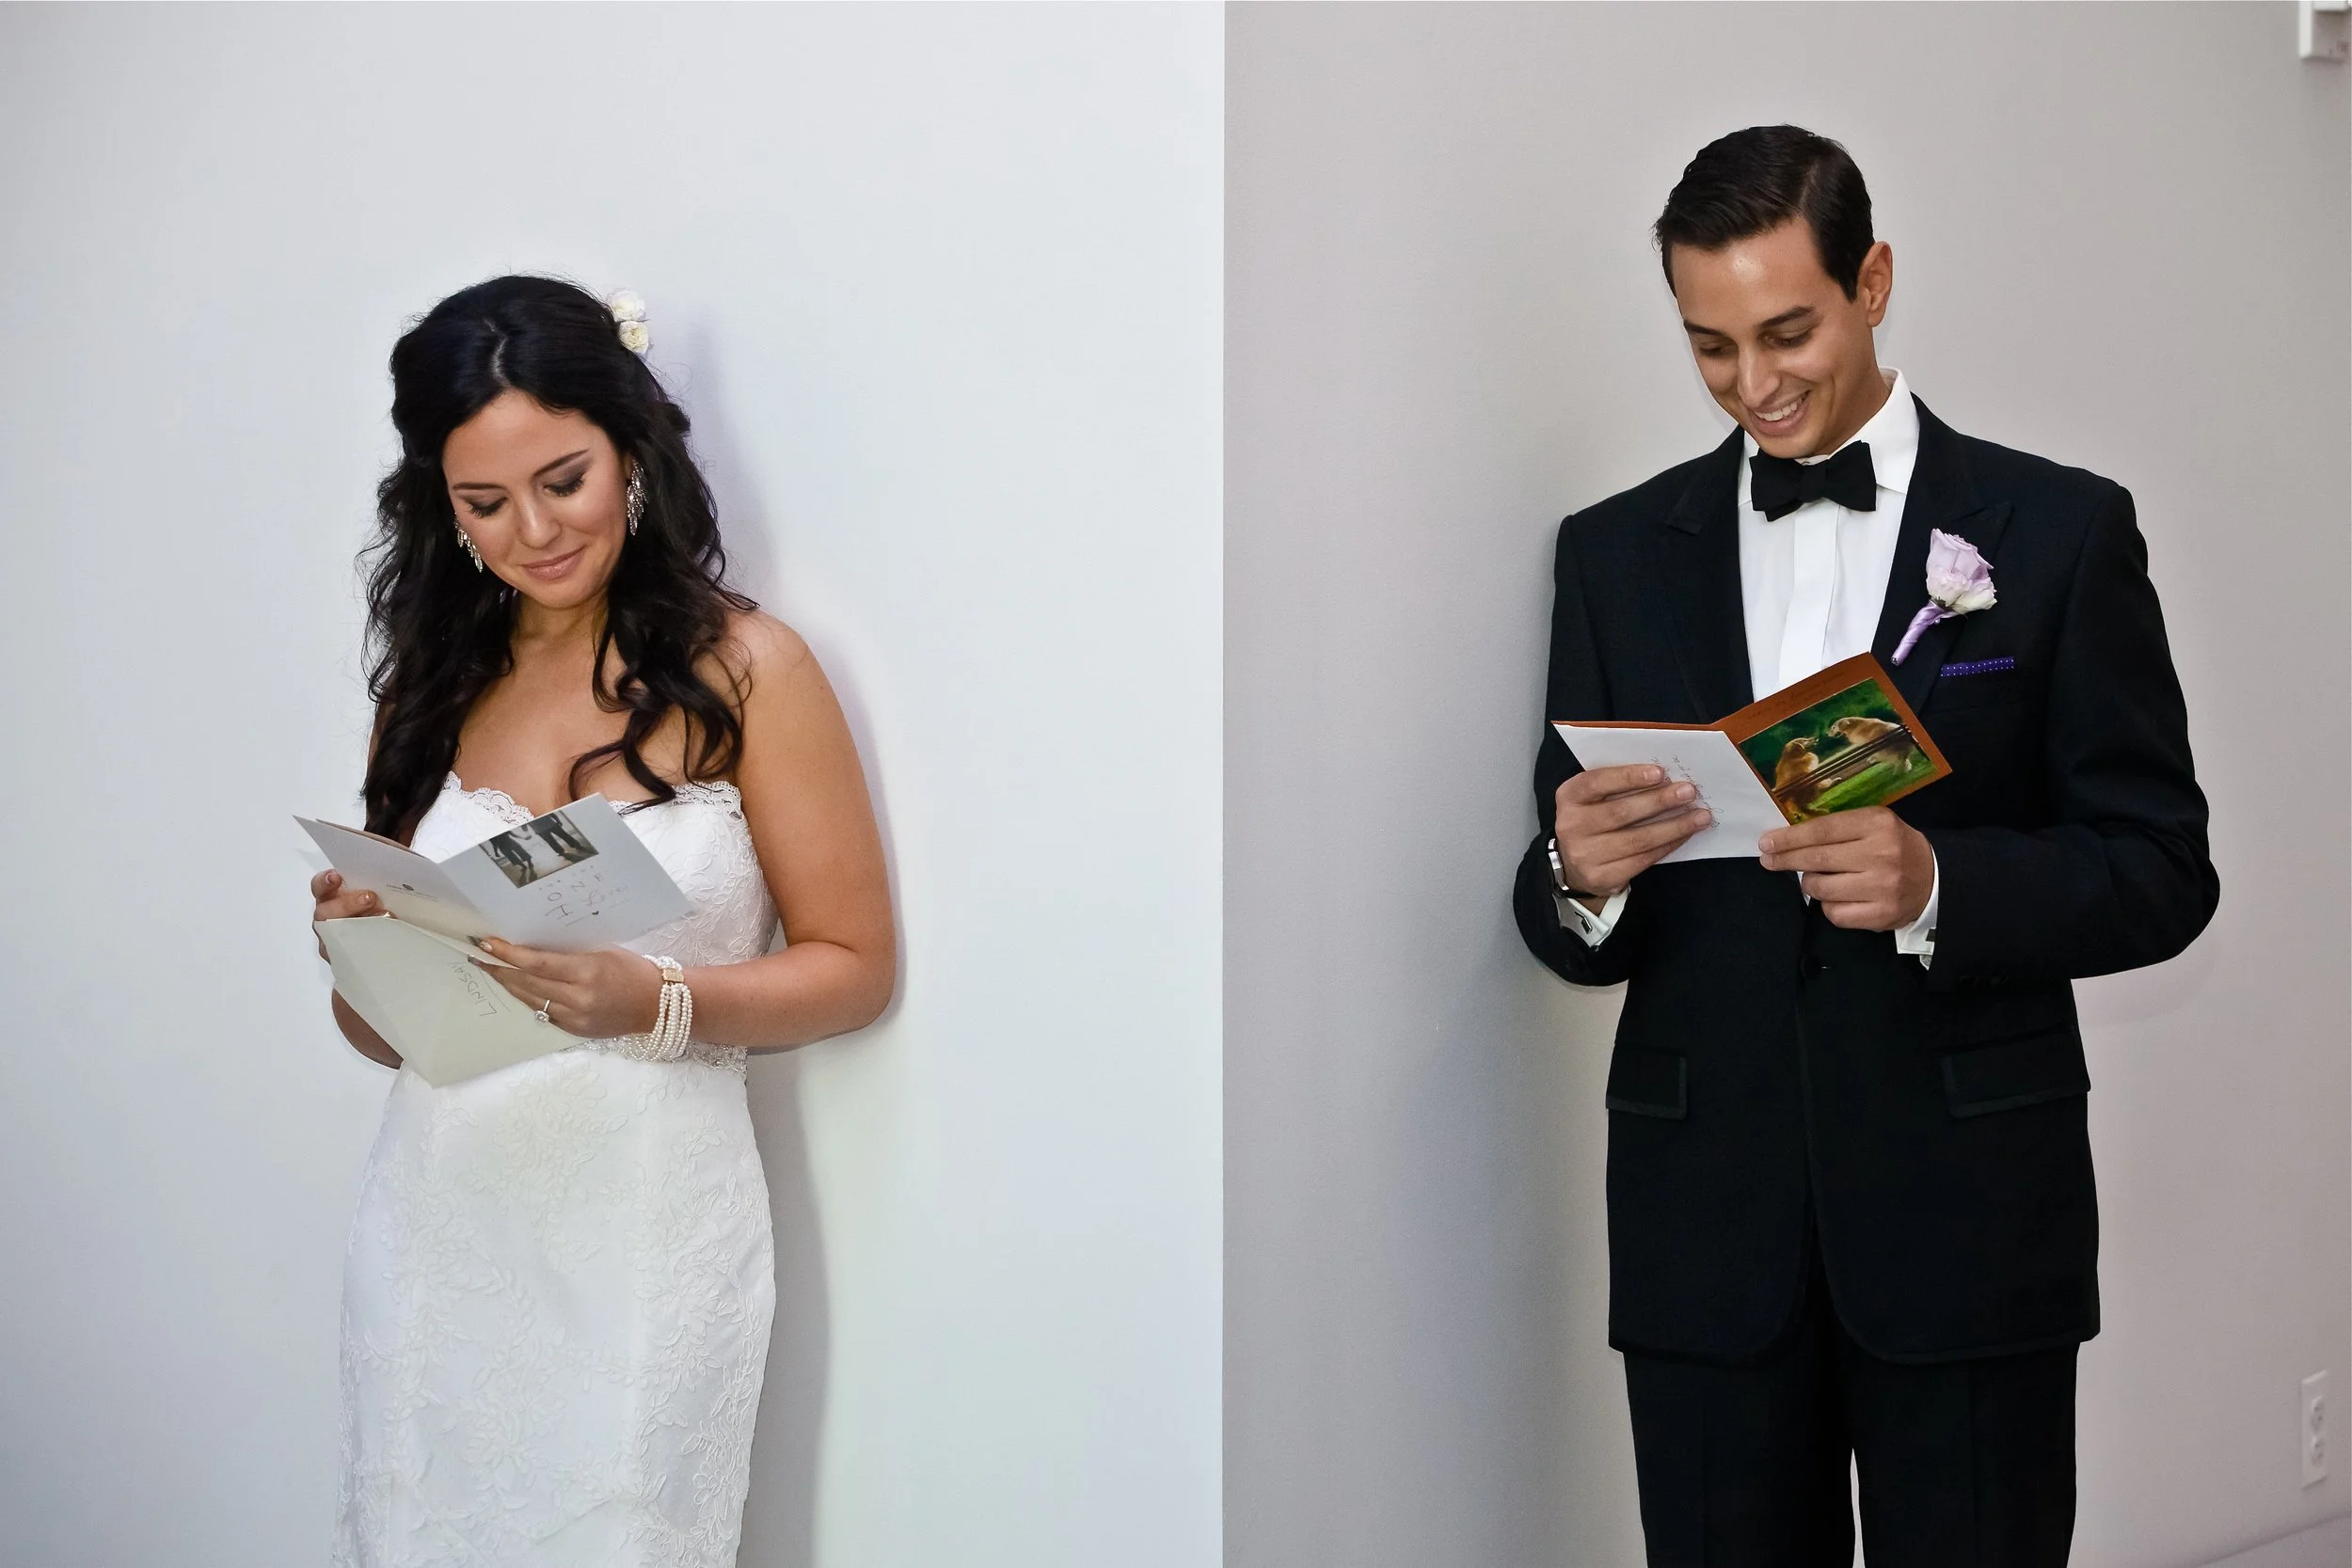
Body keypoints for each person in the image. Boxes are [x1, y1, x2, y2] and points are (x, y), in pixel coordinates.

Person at [1511, 127, 2217, 1566]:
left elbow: (2161, 865)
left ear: (1873, 280)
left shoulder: (2064, 532)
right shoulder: (1614, 552)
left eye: (1787, 332)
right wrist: (1575, 876)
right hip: (1704, 1233)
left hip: (1969, 1223)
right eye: (1709, 348)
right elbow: (1564, 917)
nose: (1754, 386)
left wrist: (1945, 884)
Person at [310, 276, 895, 1566]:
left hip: (644, 1233)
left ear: (631, 448)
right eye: (484, 503)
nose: (533, 529)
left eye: (562, 479)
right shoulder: (428, 691)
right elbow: (389, 1038)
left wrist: (660, 1001)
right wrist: (361, 950)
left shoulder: (750, 670)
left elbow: (855, 968)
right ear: (441, 507)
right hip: (438, 1224)